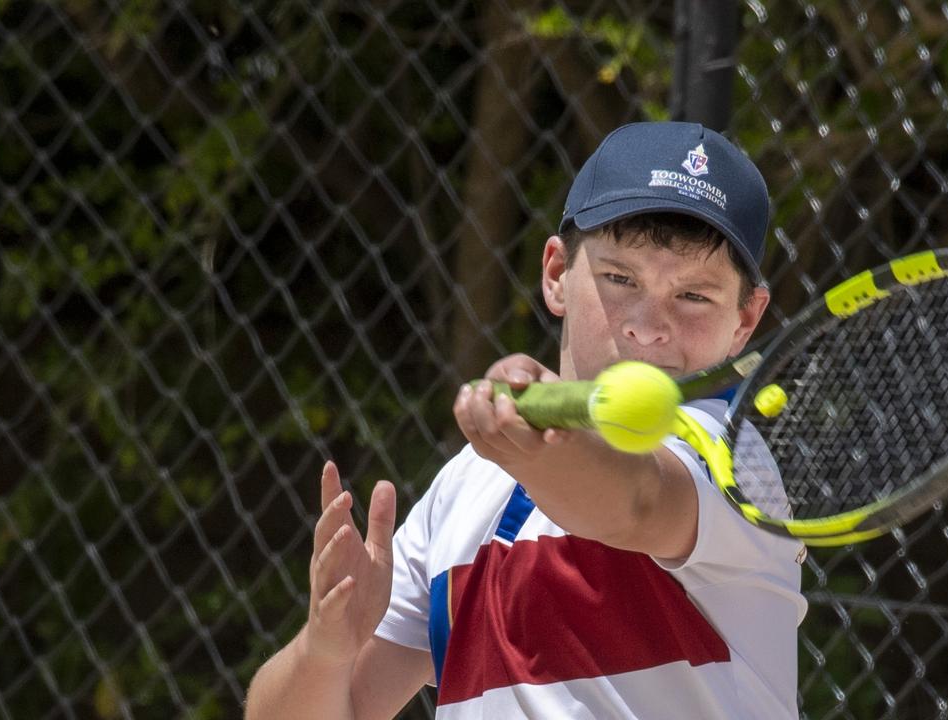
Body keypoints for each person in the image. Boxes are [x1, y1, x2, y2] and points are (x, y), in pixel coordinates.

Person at [245, 121, 808, 719]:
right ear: (556, 273)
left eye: (694, 296)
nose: (648, 324)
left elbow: (637, 502)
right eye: (620, 279)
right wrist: (325, 649)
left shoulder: (731, 457)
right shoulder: (461, 489)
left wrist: (532, 447)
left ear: (746, 319)